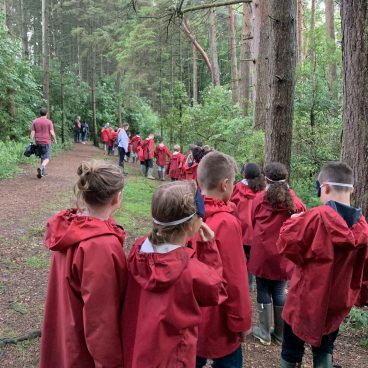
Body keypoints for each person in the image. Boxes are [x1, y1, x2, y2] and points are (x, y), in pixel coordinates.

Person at [121, 181, 227, 368]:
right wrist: (209, 249)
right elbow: (216, 291)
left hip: (137, 350)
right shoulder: (191, 270)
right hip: (173, 359)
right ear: (189, 226)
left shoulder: (138, 250)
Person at [277, 162, 368, 368]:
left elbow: (287, 247)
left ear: (324, 188)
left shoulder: (316, 217)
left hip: (304, 299)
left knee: (291, 351)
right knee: (325, 349)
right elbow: (363, 269)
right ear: (351, 189)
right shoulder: (363, 228)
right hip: (337, 303)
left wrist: (292, 221)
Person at [40, 160, 127, 368]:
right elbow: (101, 319)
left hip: (65, 336)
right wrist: (110, 363)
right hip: (82, 352)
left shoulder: (71, 227)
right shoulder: (100, 246)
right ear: (117, 197)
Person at [195, 151, 252, 368]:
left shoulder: (187, 213)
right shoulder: (226, 222)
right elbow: (235, 277)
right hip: (219, 313)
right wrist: (242, 320)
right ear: (225, 184)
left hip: (190, 313)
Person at [249, 162, 306, 346]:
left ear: (266, 179)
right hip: (283, 254)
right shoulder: (296, 203)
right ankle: (280, 334)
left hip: (262, 253)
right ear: (286, 179)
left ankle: (264, 332)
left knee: (263, 288)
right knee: (280, 290)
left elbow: (251, 221)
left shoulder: (259, 199)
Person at [230, 163, 266, 291]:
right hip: (256, 228)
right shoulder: (262, 189)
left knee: (239, 255)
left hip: (239, 227)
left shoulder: (236, 188)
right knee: (250, 256)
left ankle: (241, 281)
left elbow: (230, 204)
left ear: (244, 174)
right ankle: (249, 283)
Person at [30, 107, 57, 178]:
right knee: (47, 157)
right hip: (46, 141)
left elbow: (33, 132)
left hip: (38, 141)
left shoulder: (35, 121)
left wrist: (31, 141)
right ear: (46, 113)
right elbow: (51, 132)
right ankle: (41, 167)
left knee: (42, 156)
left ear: (40, 113)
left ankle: (42, 172)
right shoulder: (49, 122)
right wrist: (55, 139)